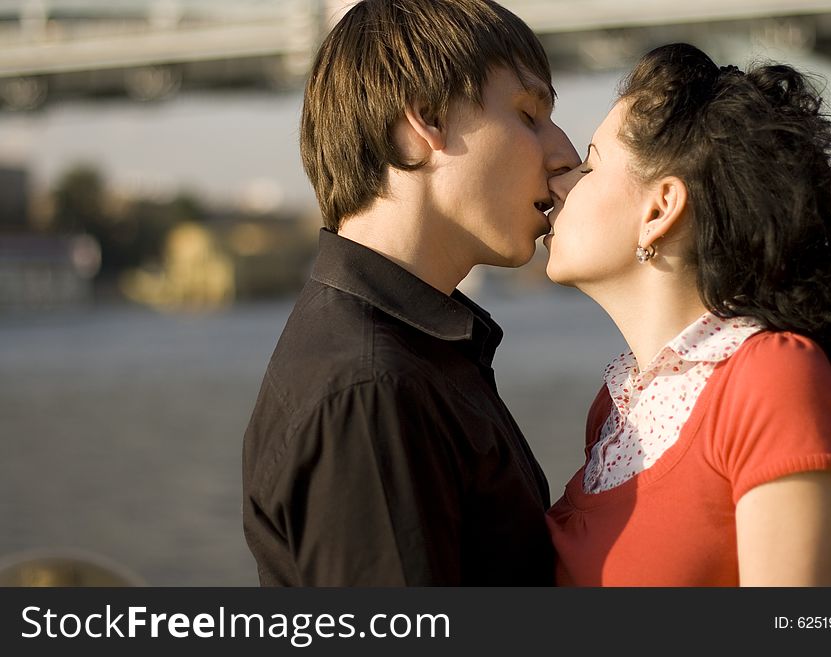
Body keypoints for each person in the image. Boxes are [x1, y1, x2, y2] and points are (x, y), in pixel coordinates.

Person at [242, 0, 579, 586]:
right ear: (425, 120)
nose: (564, 154)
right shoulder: (372, 389)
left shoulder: (401, 355)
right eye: (529, 114)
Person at [544, 43, 831, 586]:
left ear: (659, 209)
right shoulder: (615, 407)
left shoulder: (772, 379)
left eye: (588, 164)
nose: (557, 183)